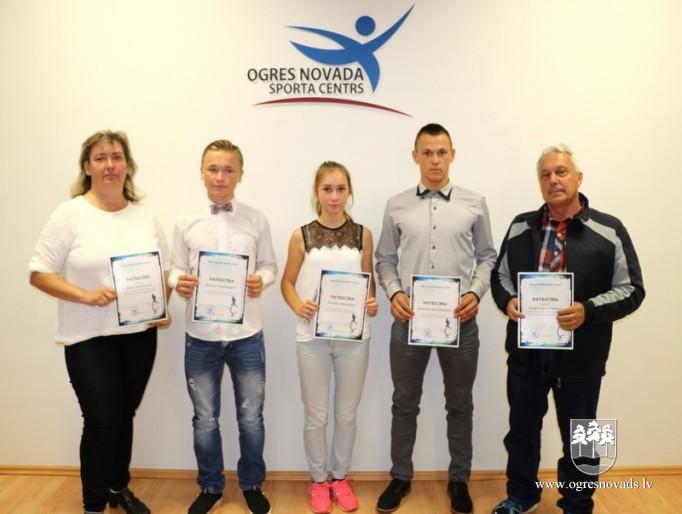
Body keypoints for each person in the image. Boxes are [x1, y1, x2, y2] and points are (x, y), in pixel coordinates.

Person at [490, 144, 645, 514]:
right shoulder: (520, 225)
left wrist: (587, 311)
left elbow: (632, 290)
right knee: (521, 431)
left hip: (583, 357)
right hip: (527, 352)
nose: (553, 180)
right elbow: (500, 277)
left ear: (578, 178)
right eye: (545, 174)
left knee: (584, 437)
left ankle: (578, 503)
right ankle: (521, 496)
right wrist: (508, 301)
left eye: (561, 172)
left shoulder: (609, 228)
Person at [29, 130, 171, 514]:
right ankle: (93, 504)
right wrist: (85, 295)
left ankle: (117, 486)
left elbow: (164, 269)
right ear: (87, 167)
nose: (110, 165)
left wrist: (161, 307)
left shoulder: (144, 215)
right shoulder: (70, 214)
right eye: (101, 157)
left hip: (139, 335)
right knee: (101, 421)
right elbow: (39, 273)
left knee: (124, 414)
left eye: (117, 157)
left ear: (128, 166)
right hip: (88, 337)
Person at [374, 123, 497, 514]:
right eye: (427, 153)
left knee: (460, 404)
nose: (434, 160)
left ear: (452, 155)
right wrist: (394, 293)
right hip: (408, 320)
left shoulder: (474, 202)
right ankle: (400, 478)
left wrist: (475, 293)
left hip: (460, 321)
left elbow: (488, 257)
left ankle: (459, 481)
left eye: (441, 152)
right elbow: (384, 259)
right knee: (404, 402)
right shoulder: (396, 205)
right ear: (415, 156)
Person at [169, 139, 277, 514]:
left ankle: (251, 484)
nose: (220, 176)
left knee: (251, 418)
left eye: (228, 170)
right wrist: (178, 282)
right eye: (213, 169)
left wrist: (261, 280)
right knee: (204, 419)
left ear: (240, 175)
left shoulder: (257, 219)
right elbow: (175, 267)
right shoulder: (185, 221)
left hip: (246, 335)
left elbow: (269, 266)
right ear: (201, 173)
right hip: (200, 337)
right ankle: (211, 486)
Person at [281, 162, 378, 514]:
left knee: (347, 414)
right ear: (316, 192)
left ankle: (341, 478)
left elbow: (368, 282)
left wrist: (371, 301)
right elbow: (287, 282)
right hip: (312, 338)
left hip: (354, 338)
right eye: (327, 189)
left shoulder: (363, 235)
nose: (334, 196)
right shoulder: (301, 235)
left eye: (340, 189)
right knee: (316, 416)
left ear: (349, 191)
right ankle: (319, 481)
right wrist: (299, 305)